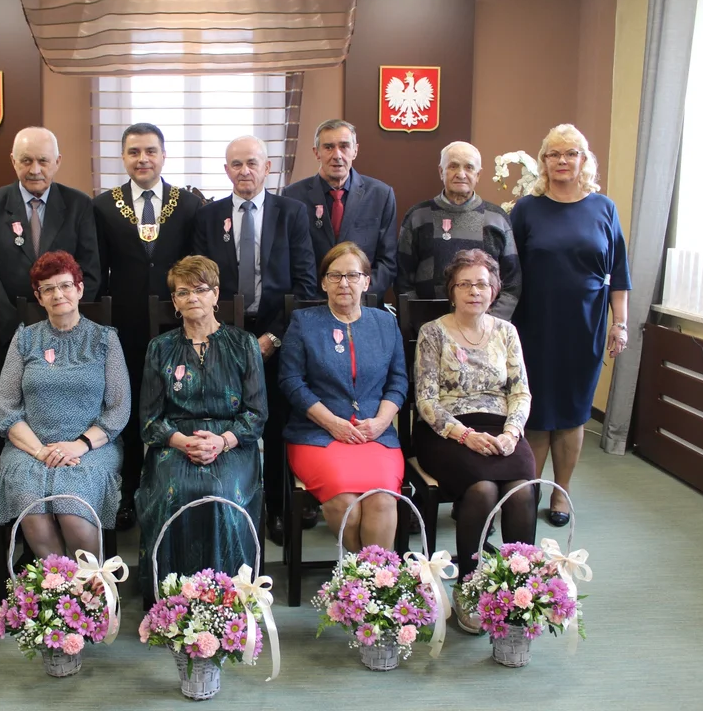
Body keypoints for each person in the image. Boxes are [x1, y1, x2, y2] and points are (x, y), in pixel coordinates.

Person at [193, 135, 318, 545]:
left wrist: (273, 338)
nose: (244, 171)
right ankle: (234, 504)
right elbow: (199, 283)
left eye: (252, 163)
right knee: (226, 420)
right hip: (223, 336)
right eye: (236, 164)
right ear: (226, 170)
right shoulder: (208, 217)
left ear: (268, 168)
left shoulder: (291, 213)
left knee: (277, 423)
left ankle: (278, 508)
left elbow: (305, 284)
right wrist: (227, 337)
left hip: (278, 334)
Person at [511, 124, 630, 527]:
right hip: (535, 327)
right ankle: (529, 489)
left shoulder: (604, 208)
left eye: (571, 153)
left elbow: (619, 272)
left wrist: (620, 324)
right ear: (543, 162)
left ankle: (561, 492)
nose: (562, 160)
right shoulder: (527, 208)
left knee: (573, 413)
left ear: (584, 160)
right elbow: (509, 271)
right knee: (537, 413)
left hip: (585, 328)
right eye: (554, 154)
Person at [413, 249, 536, 633]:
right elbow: (426, 401)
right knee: (482, 490)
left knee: (520, 490)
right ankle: (469, 586)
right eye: (464, 284)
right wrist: (465, 435)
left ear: (494, 289)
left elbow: (520, 392)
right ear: (451, 290)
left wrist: (512, 432)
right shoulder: (433, 332)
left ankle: (517, 587)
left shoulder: (507, 332)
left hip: (501, 428)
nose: (474, 291)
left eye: (482, 284)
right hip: (447, 431)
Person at [135, 255, 267, 605]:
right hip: (175, 442)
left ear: (215, 295)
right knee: (175, 492)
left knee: (220, 491)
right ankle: (170, 599)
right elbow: (149, 420)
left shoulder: (244, 344)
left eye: (201, 289)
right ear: (175, 301)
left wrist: (221, 441)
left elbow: (257, 414)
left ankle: (229, 597)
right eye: (183, 292)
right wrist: (182, 442)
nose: (192, 297)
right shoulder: (159, 348)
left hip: (232, 441)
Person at [0, 251, 129, 560]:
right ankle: (57, 584)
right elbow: (6, 408)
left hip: (91, 448)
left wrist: (78, 445)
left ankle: (92, 583)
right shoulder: (24, 340)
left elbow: (118, 409)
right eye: (47, 289)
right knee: (31, 506)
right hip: (29, 447)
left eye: (65, 285)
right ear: (39, 297)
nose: (58, 294)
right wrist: (40, 451)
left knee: (72, 507)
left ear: (79, 289)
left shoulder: (105, 339)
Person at [93, 122, 201, 532]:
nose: (143, 159)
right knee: (129, 405)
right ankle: (127, 493)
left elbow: (198, 267)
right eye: (134, 152)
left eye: (150, 151)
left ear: (163, 155)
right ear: (123, 157)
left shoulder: (188, 205)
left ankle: (172, 487)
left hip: (178, 324)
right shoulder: (103, 206)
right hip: (125, 324)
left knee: (175, 403)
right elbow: (98, 272)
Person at [0, 127, 101, 460]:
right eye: (26, 160)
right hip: (7, 333)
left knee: (63, 422)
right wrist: (19, 332)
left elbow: (90, 273)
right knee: (8, 425)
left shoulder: (78, 204)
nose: (35, 169)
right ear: (13, 161)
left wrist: (61, 323)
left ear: (57, 161)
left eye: (43, 160)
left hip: (68, 335)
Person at [280, 242, 407, 552]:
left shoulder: (386, 323)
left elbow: (398, 381)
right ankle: (355, 574)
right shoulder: (303, 322)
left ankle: (378, 577)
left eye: (353, 275)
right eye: (334, 276)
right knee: (345, 503)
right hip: (318, 434)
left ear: (367, 281)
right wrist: (332, 423)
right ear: (323, 283)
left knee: (382, 499)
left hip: (375, 434)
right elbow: (291, 382)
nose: (344, 283)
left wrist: (381, 422)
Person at [397, 141, 522, 320]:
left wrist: (492, 323)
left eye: (469, 167)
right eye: (453, 166)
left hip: (486, 328)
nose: (461, 174)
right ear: (441, 171)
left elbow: (512, 282)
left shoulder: (497, 218)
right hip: (428, 326)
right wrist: (421, 322)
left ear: (478, 175)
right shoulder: (418, 216)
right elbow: (402, 279)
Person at [282, 119, 398, 300]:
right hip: (310, 303)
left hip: (363, 304)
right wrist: (311, 301)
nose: (337, 155)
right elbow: (287, 260)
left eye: (344, 146)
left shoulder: (381, 195)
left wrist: (356, 296)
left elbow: (387, 262)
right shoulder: (292, 196)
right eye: (328, 147)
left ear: (355, 150)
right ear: (316, 153)